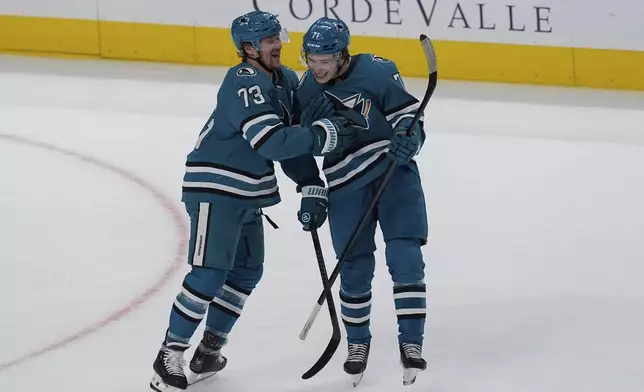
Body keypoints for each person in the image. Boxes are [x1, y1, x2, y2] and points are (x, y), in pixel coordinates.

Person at [149, 11, 359, 392]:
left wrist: (310, 185)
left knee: (246, 273)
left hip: (249, 192)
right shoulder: (242, 80)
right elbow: (271, 142)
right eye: (267, 40)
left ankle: (209, 351)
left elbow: (289, 139)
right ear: (248, 48)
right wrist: (321, 135)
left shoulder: (285, 80)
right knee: (210, 273)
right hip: (216, 189)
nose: (277, 45)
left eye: (277, 37)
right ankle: (170, 355)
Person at [292, 17, 429, 386]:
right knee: (354, 268)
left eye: (326, 60)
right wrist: (311, 186)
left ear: (343, 55)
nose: (318, 67)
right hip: (345, 185)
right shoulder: (306, 90)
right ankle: (357, 345)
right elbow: (295, 149)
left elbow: (410, 120)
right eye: (312, 59)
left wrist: (409, 138)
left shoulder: (378, 71)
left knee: (406, 257)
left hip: (393, 173)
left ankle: (412, 344)